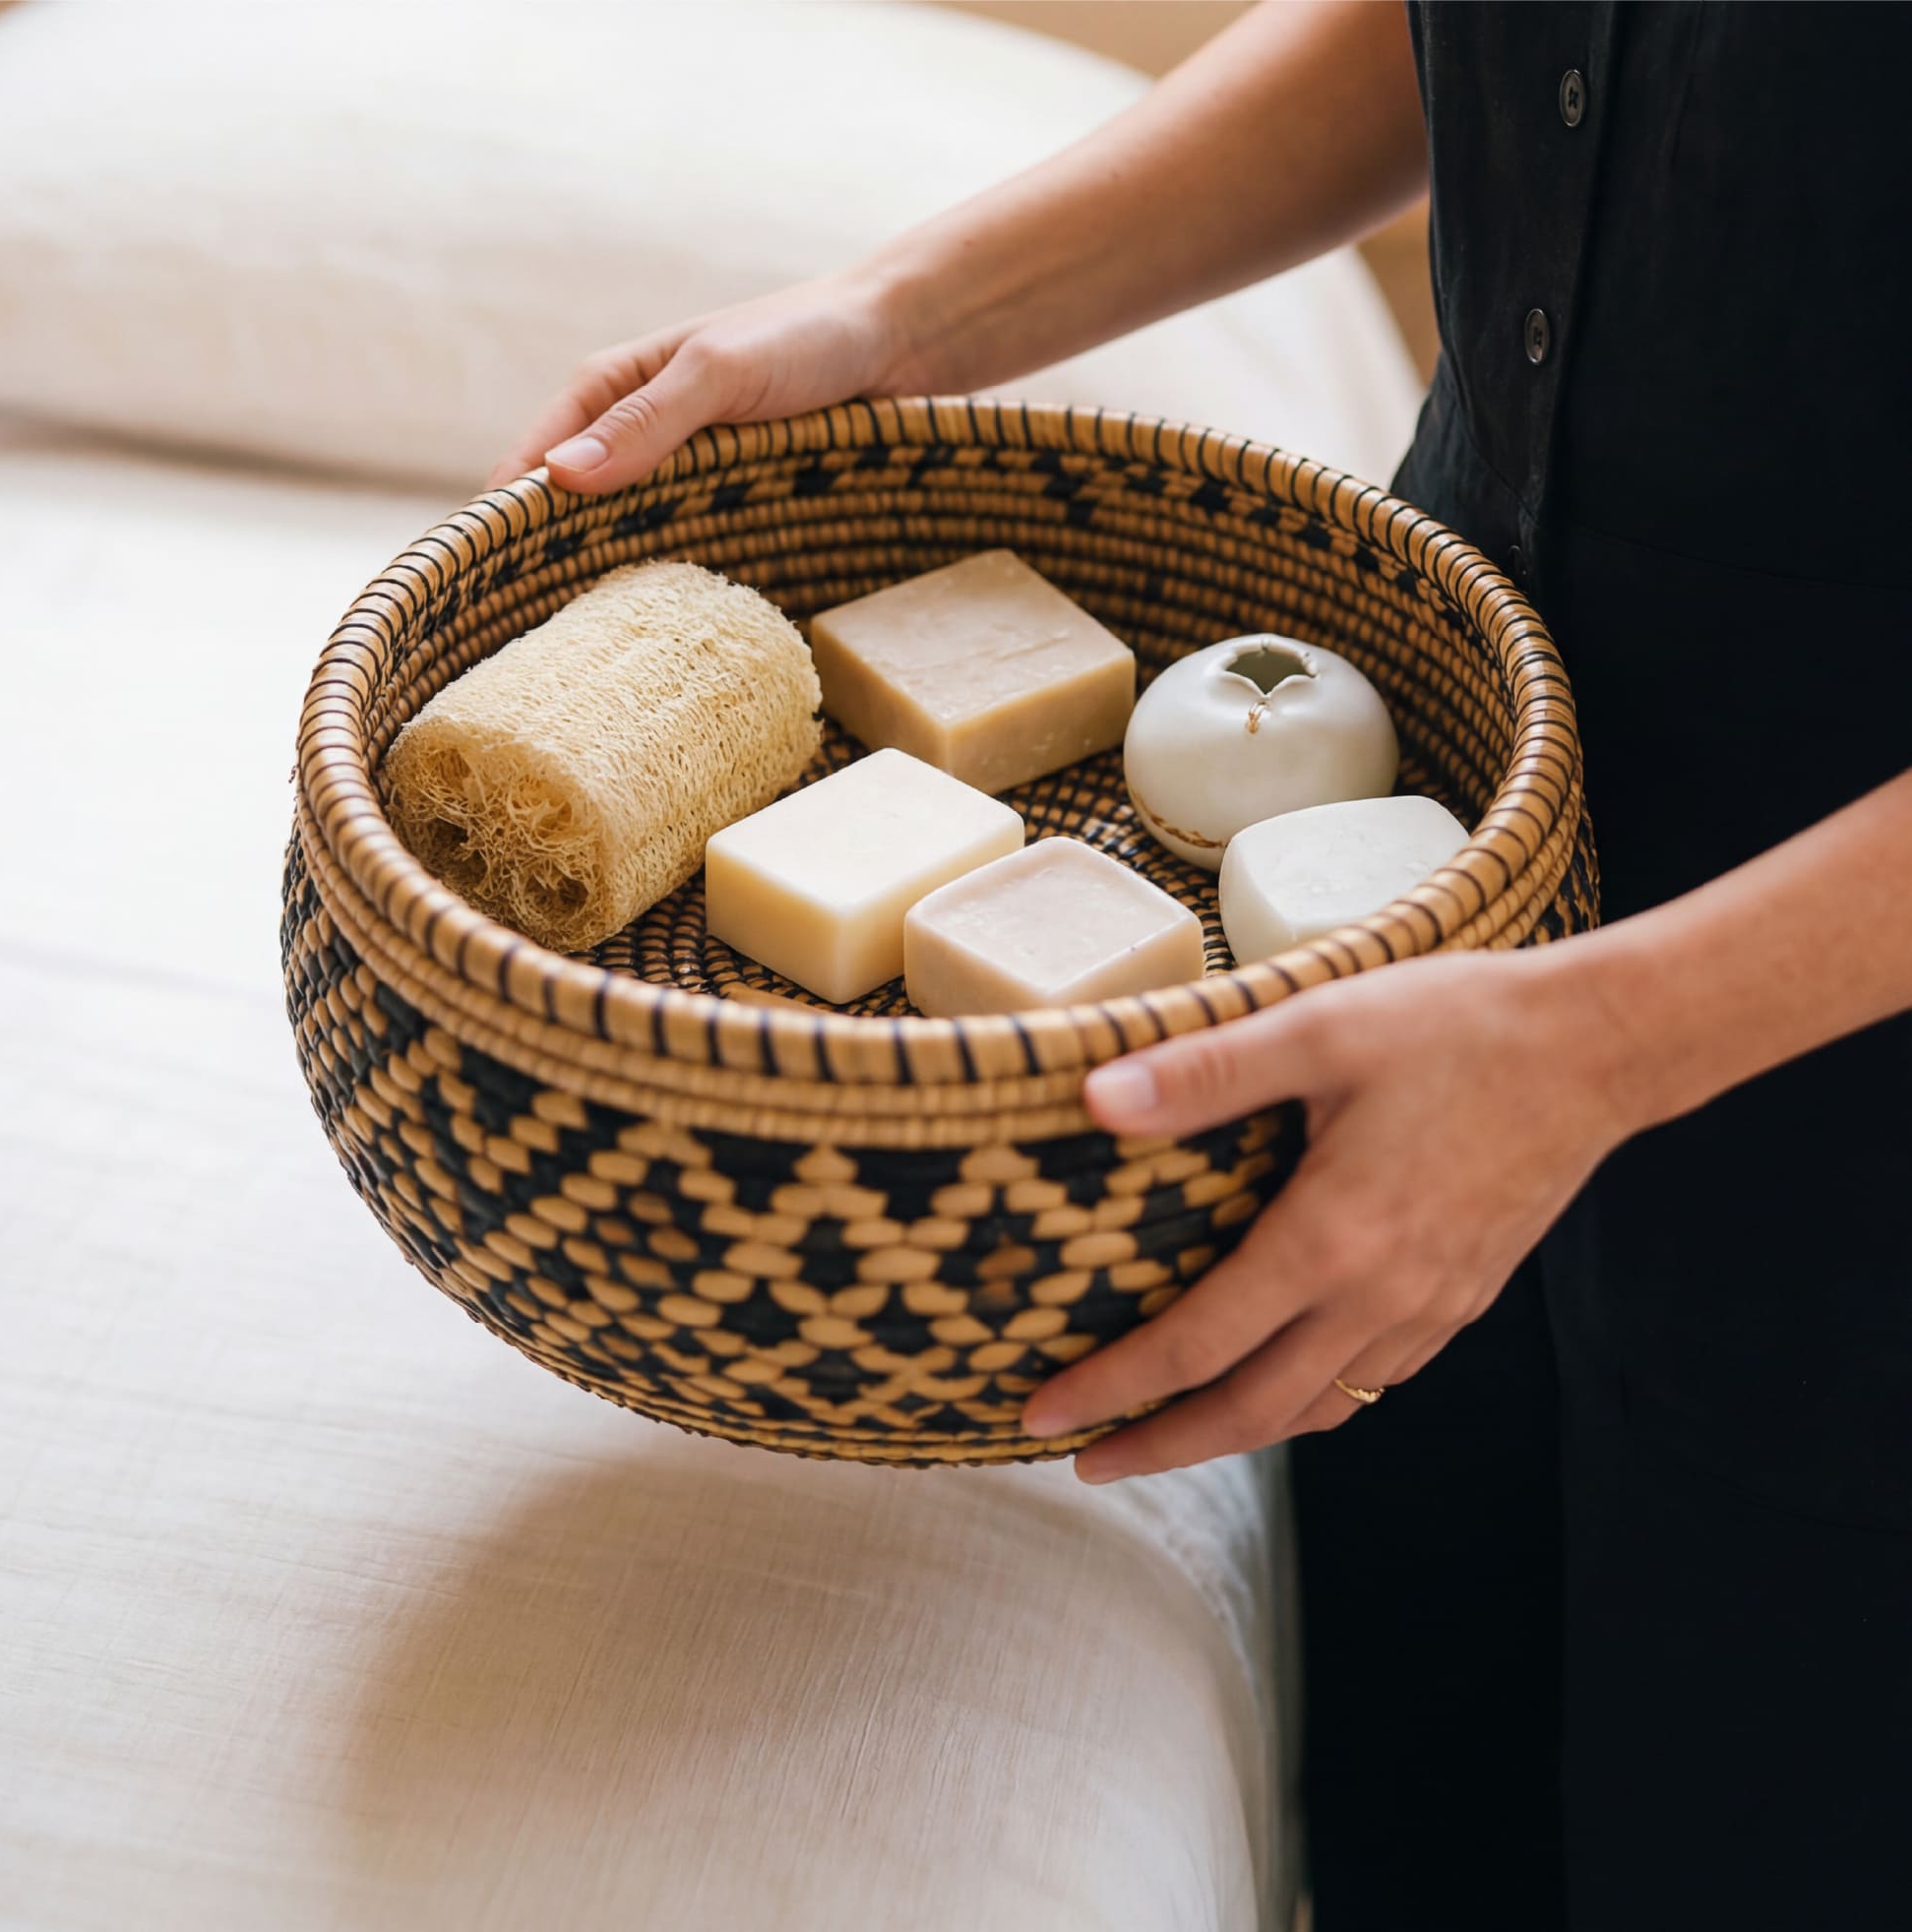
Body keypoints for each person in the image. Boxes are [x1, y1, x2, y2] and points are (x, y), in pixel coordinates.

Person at [492, 4, 1912, 1925]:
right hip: (1407, 889)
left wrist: (1605, 1038)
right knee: (1424, 1817)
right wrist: (898, 318)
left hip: (1835, 1069)